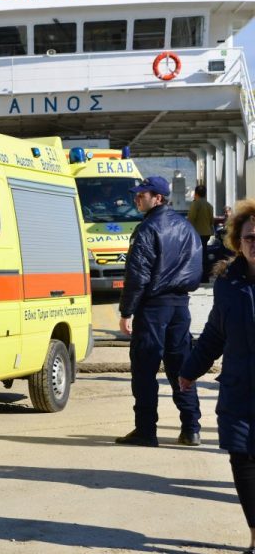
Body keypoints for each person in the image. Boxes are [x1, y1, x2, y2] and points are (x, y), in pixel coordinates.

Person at [179, 200, 255, 554]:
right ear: (238, 241)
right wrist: (190, 370)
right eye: (250, 237)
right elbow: (215, 334)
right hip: (239, 390)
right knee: (242, 460)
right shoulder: (228, 282)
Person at [116, 176, 203, 447]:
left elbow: (137, 275)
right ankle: (191, 428)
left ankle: (145, 430)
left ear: (159, 198)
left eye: (143, 194)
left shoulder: (147, 229)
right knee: (181, 367)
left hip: (154, 307)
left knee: (144, 368)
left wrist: (126, 311)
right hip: (180, 306)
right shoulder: (186, 228)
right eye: (137, 194)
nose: (137, 198)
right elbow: (197, 269)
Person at [188, 184, 215, 282]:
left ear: (196, 193)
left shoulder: (195, 204)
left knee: (196, 255)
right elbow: (212, 221)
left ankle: (197, 276)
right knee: (204, 255)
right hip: (206, 233)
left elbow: (191, 219)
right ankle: (205, 276)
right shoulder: (209, 205)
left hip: (196, 233)